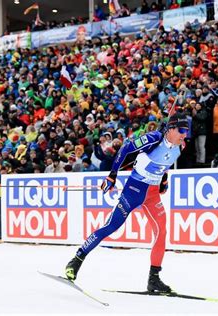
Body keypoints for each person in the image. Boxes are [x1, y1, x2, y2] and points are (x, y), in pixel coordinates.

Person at [65, 113, 189, 293]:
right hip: (134, 190)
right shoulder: (154, 138)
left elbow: (165, 163)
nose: (185, 135)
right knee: (111, 226)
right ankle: (76, 260)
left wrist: (164, 180)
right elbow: (125, 149)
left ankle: (154, 279)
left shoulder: (181, 145)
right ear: (170, 129)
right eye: (182, 130)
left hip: (152, 194)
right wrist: (112, 175)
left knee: (161, 230)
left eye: (187, 131)